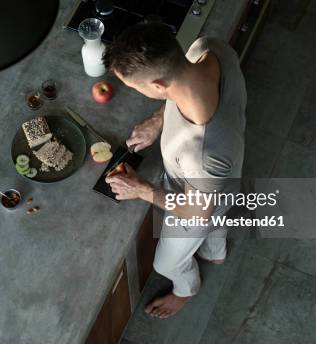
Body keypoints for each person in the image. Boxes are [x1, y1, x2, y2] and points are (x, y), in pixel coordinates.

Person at [103, 22, 247, 318]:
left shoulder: (204, 153)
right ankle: (214, 253)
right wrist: (159, 120)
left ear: (157, 86)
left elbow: (197, 212)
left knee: (166, 264)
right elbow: (180, 89)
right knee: (217, 219)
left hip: (197, 199)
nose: (136, 92)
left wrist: (141, 189)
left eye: (135, 87)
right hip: (223, 180)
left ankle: (186, 290)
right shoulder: (207, 47)